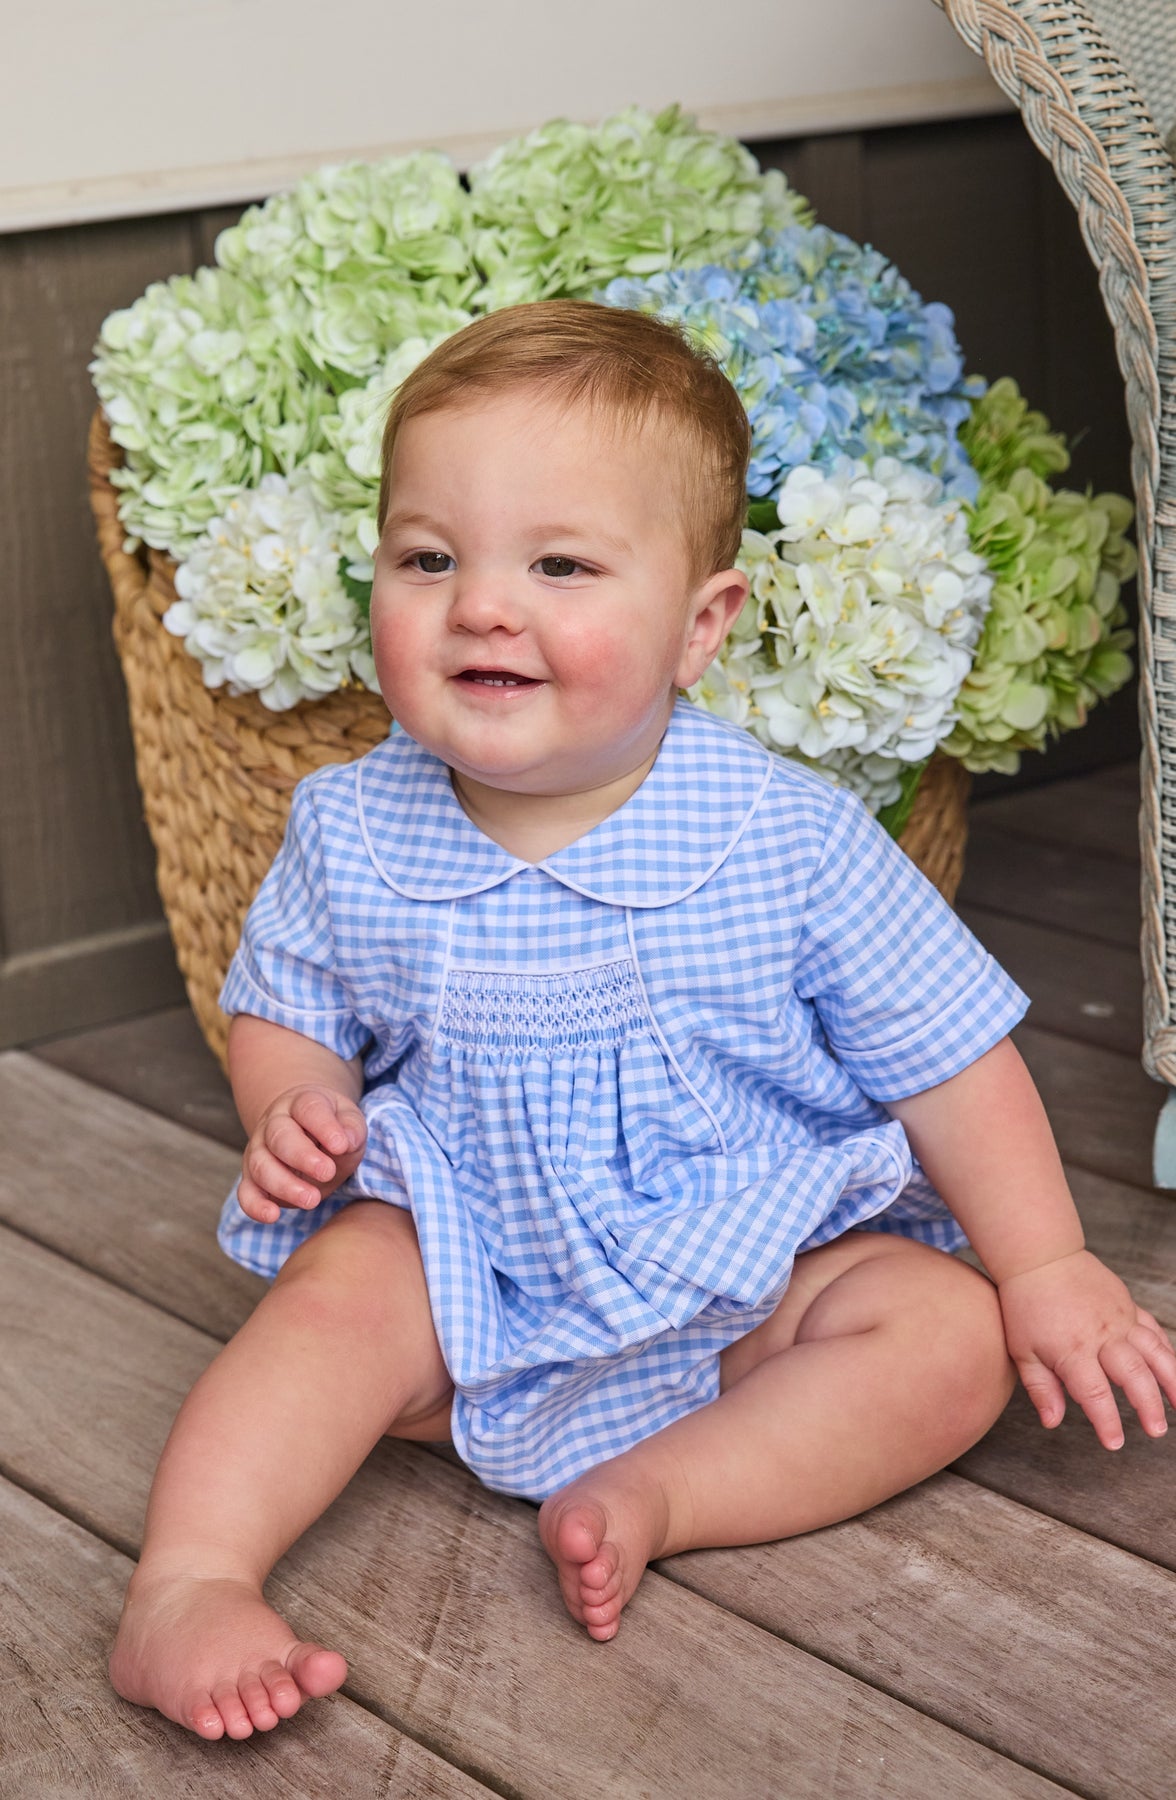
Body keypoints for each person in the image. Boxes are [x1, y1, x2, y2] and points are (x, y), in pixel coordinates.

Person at [109, 299, 1176, 1742]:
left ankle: (667, 1490)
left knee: (947, 1336)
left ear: (699, 626)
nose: (483, 606)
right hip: (469, 1276)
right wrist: (295, 1105)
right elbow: (284, 1006)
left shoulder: (786, 837)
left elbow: (951, 1058)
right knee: (336, 1302)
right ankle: (189, 1579)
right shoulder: (351, 828)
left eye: (559, 565)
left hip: (753, 1275)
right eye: (429, 558)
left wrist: (1045, 1264)